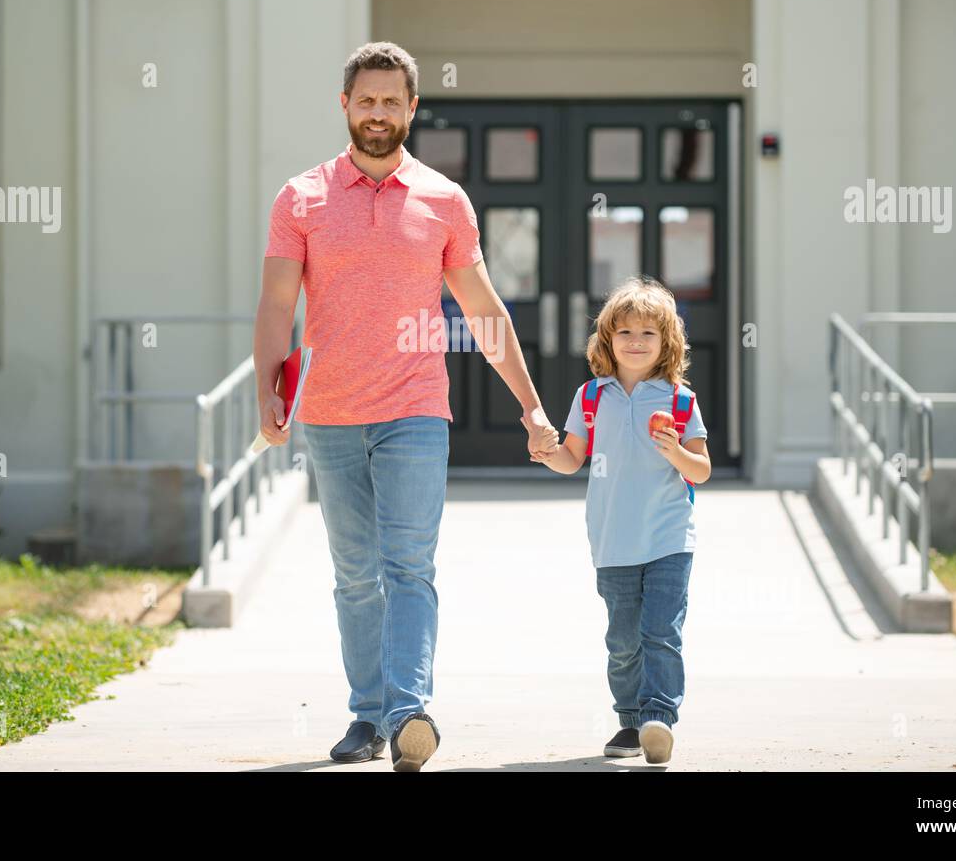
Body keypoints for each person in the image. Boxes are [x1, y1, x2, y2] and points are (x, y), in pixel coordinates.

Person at [253, 41, 559, 772]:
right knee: (355, 572)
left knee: (409, 565)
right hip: (327, 413)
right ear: (345, 106)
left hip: (416, 409)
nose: (380, 114)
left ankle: (408, 711)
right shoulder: (301, 198)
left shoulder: (444, 201)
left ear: (413, 108)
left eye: (393, 102)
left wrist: (532, 406)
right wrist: (267, 389)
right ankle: (367, 717)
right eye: (368, 101)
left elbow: (484, 310)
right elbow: (276, 303)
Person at [531, 275, 710, 764]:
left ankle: (659, 720)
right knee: (623, 641)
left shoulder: (679, 400)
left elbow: (702, 468)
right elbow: (572, 458)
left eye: (648, 334)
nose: (635, 342)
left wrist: (676, 451)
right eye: (625, 332)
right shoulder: (591, 397)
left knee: (662, 633)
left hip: (671, 536)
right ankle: (630, 722)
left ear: (666, 342)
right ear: (608, 339)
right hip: (611, 540)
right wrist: (547, 454)